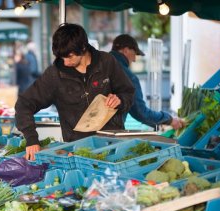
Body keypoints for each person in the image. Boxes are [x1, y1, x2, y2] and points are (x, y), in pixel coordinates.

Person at [15, 23, 135, 161]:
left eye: (70, 56)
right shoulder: (54, 75)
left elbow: (128, 92)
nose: (65, 62)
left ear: (83, 47)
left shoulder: (107, 62)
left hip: (113, 147)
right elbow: (24, 104)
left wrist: (120, 100)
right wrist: (31, 139)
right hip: (77, 152)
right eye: (62, 57)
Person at [110, 34, 184, 130]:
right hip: (109, 132)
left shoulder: (98, 65)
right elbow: (141, 112)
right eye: (134, 53)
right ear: (126, 50)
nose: (135, 59)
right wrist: (169, 120)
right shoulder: (128, 77)